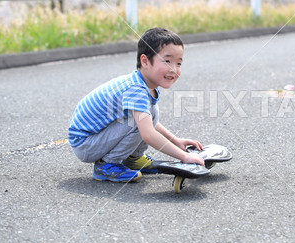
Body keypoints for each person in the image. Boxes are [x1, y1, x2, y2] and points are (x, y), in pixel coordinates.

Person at [68, 27, 204, 182]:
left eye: (178, 63)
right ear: (145, 61)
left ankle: (133, 158)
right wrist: (184, 156)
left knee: (149, 113)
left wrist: (176, 140)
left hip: (96, 138)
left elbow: (150, 122)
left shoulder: (143, 85)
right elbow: (147, 133)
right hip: (85, 144)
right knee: (139, 123)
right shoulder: (135, 89)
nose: (174, 69)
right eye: (167, 61)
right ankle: (106, 166)